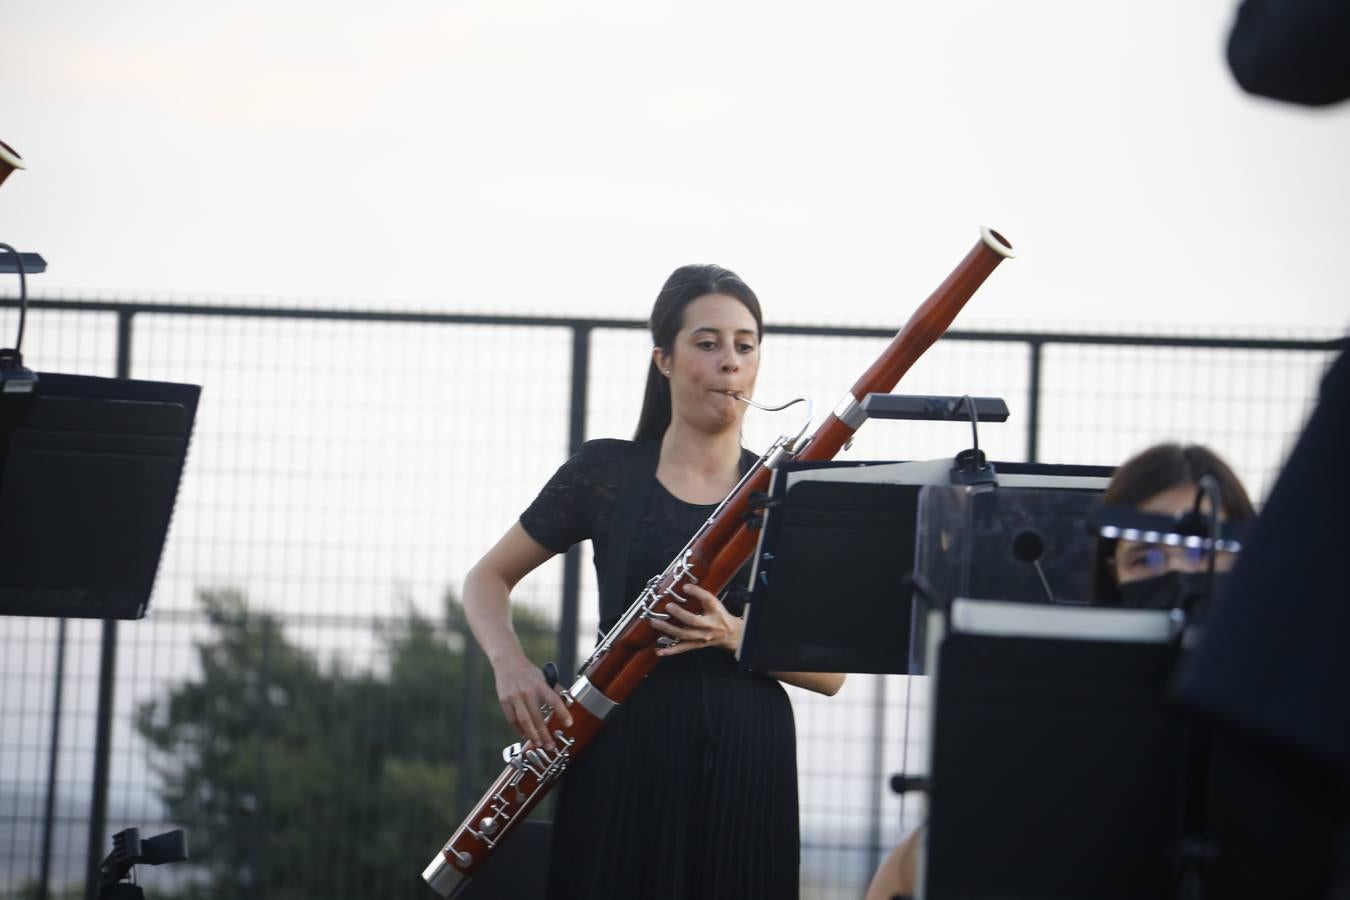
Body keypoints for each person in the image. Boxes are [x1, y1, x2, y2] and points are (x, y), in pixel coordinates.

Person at [462, 263, 845, 900]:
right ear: (663, 359)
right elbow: (487, 579)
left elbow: (831, 672)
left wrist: (733, 633)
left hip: (747, 758)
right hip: (620, 743)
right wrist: (511, 666)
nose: (731, 362)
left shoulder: (787, 492)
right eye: (708, 342)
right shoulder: (604, 471)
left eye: (745, 346)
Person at [865, 442, 1256, 900]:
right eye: (1145, 558)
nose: (1175, 574)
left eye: (1199, 551)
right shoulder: (1064, 706)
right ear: (1112, 575)